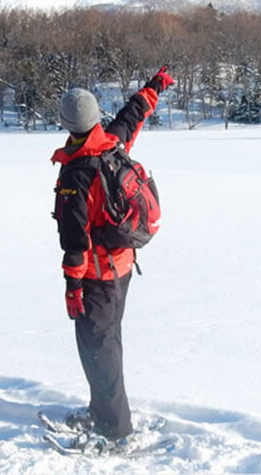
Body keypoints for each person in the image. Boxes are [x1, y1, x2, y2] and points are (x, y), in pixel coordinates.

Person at [50, 66, 174, 444]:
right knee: (106, 342)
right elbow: (133, 115)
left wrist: (73, 288)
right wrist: (155, 86)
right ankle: (101, 411)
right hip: (122, 267)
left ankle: (114, 429)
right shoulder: (111, 143)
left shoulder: (76, 175)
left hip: (97, 275)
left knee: (98, 349)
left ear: (66, 124)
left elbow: (75, 242)